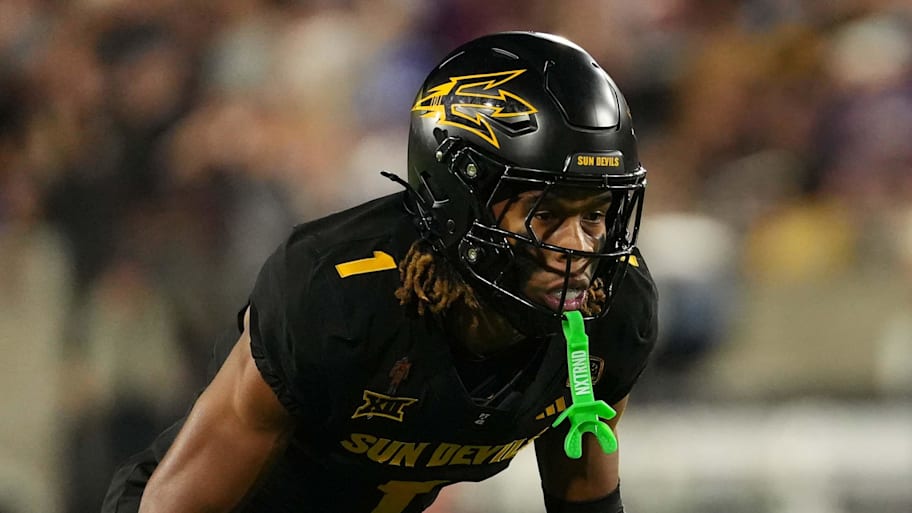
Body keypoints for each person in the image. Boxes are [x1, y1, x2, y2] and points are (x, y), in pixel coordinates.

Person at [101, 31, 657, 513]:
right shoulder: (339, 296)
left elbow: (586, 503)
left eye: (596, 214)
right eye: (546, 215)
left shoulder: (612, 311)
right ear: (460, 201)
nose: (578, 248)